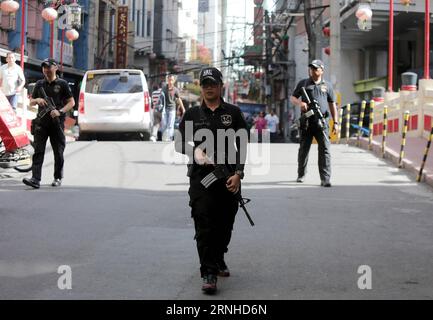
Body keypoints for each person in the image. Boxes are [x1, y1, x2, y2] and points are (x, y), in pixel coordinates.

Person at [175, 67, 248, 294]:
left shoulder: (233, 113)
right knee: (204, 222)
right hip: (201, 180)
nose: (208, 88)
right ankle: (208, 271)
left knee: (225, 224)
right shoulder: (193, 115)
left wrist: (238, 174)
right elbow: (179, 143)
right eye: (205, 84)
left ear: (220, 86)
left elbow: (243, 145)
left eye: (212, 84)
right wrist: (194, 152)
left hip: (228, 178)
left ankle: (218, 257)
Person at [22, 58, 75, 189]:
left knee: (58, 152)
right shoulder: (39, 84)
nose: (46, 70)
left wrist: (60, 111)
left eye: (48, 67)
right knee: (38, 151)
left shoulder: (62, 84)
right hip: (41, 123)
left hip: (57, 123)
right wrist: (37, 99)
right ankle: (35, 179)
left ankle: (57, 177)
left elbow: (71, 103)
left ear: (55, 68)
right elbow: (31, 102)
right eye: (44, 67)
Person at [290, 59, 339, 187]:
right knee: (304, 149)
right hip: (307, 123)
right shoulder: (304, 83)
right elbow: (293, 97)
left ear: (322, 70)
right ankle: (301, 174)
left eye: (316, 68)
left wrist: (336, 122)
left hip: (322, 123)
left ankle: (325, 179)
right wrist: (300, 103)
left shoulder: (327, 86)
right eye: (311, 68)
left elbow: (332, 105)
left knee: (325, 150)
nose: (313, 70)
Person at [160, 74, 185, 141]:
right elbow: (160, 98)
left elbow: (179, 99)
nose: (170, 81)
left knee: (170, 124)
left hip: (172, 109)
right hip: (164, 110)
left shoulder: (175, 90)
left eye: (171, 80)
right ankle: (164, 136)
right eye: (169, 80)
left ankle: (169, 137)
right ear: (167, 80)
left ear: (173, 81)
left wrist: (183, 108)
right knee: (164, 124)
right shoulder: (164, 88)